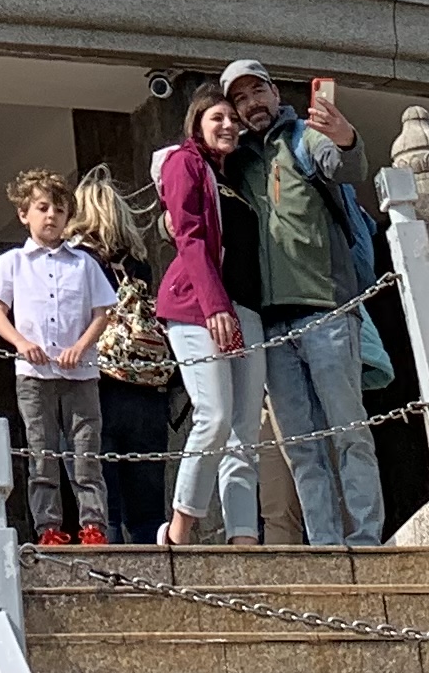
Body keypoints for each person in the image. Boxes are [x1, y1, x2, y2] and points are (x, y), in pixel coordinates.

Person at [219, 61, 386, 545]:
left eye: (258, 91)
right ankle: (327, 544)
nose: (253, 103)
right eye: (241, 98)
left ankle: (365, 539)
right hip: (271, 325)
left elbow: (345, 168)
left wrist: (347, 138)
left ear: (275, 92)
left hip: (327, 309)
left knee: (348, 430)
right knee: (300, 447)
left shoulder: (304, 136)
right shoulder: (238, 160)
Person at [153, 93, 266, 545]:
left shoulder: (235, 175)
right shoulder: (184, 163)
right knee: (214, 414)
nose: (228, 125)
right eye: (217, 117)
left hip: (247, 307)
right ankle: (180, 528)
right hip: (196, 304)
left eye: (233, 119)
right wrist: (214, 305)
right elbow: (190, 235)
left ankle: (242, 534)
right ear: (195, 123)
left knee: (245, 429)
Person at [0, 171, 119, 548]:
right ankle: (48, 527)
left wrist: (82, 345)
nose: (51, 217)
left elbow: (102, 312)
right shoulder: (13, 262)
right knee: (41, 451)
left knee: (86, 451)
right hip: (34, 373)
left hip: (81, 374)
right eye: (42, 208)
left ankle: (93, 525)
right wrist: (21, 342)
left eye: (59, 210)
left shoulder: (84, 263)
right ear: (25, 213)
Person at [72, 163, 175, 543]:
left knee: (105, 497)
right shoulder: (139, 264)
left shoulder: (75, 262)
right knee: (147, 505)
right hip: (147, 389)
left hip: (99, 383)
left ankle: (113, 579)